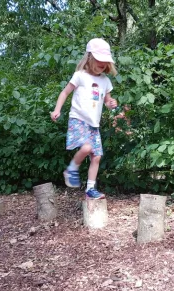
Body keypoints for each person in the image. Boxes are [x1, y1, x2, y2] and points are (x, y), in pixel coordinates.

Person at [51, 38, 118, 199]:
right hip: (78, 119)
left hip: (93, 124)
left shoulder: (105, 81)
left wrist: (111, 103)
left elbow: (107, 101)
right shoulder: (80, 76)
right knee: (87, 148)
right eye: (99, 59)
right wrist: (57, 109)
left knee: (97, 157)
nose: (102, 63)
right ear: (89, 58)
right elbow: (65, 92)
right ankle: (72, 168)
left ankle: (90, 189)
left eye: (105, 61)